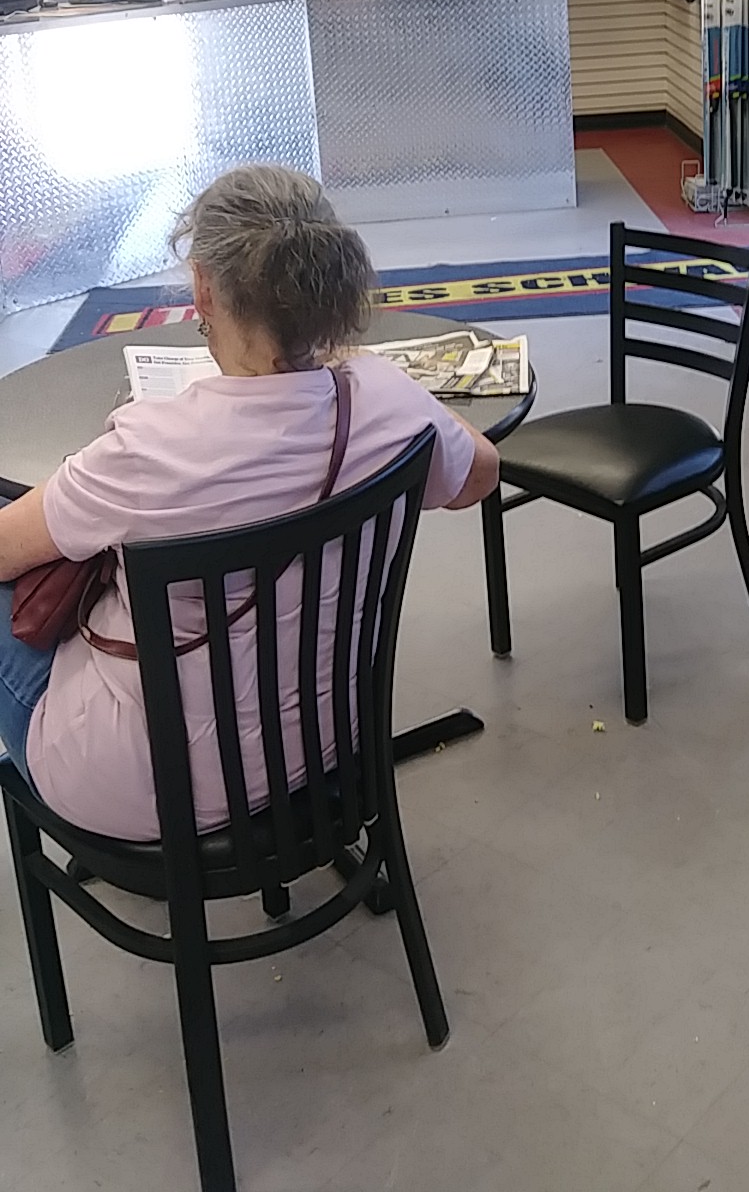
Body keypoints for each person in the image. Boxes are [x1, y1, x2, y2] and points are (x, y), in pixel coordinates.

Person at [0, 165, 500, 842]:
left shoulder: (146, 450)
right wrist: (395, 389)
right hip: (329, 738)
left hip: (150, 792)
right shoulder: (383, 400)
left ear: (205, 287)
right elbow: (479, 475)